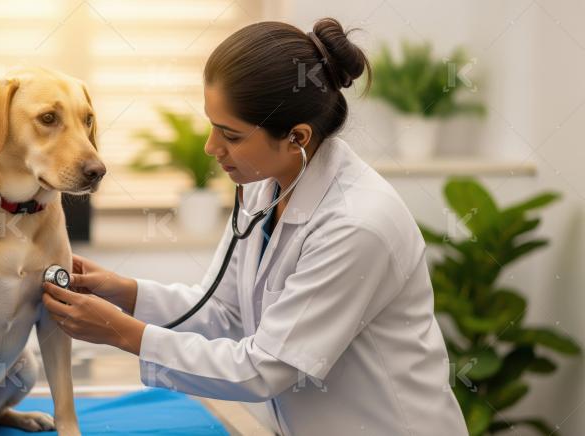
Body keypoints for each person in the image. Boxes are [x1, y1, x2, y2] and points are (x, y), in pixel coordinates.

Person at [42, 18, 468, 435]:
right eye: (212, 126)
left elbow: (265, 368)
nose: (212, 148)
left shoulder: (357, 224)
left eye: (230, 134)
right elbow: (225, 313)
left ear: (297, 138)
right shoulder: (265, 187)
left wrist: (120, 332)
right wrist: (121, 291)